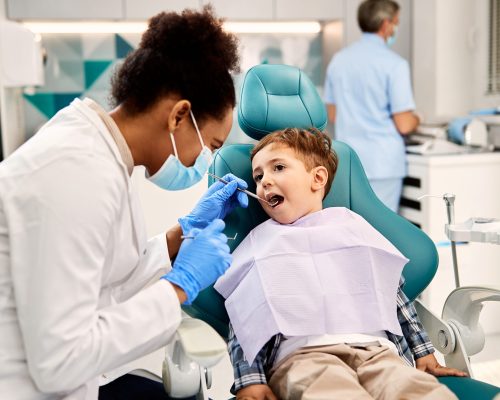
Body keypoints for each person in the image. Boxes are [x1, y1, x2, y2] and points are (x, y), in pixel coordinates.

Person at [0, 6, 248, 400]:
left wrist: (176, 239)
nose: (203, 161)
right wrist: (178, 288)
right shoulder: (76, 173)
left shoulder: (105, 153)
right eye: (210, 145)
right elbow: (60, 361)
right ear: (179, 115)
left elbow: (102, 284)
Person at [214, 128, 466, 400]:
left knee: (421, 392)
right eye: (258, 176)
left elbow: (392, 293)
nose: (265, 182)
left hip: (377, 352)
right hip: (304, 357)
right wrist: (250, 381)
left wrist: (423, 351)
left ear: (318, 178)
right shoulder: (262, 243)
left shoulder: (352, 227)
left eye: (278, 167)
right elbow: (246, 318)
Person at [323, 0, 420, 212]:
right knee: (380, 230)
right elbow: (404, 124)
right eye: (396, 22)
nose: (395, 28)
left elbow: (332, 114)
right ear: (386, 24)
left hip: (348, 162)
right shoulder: (394, 64)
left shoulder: (339, 61)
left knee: (353, 225)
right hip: (382, 163)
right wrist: (417, 119)